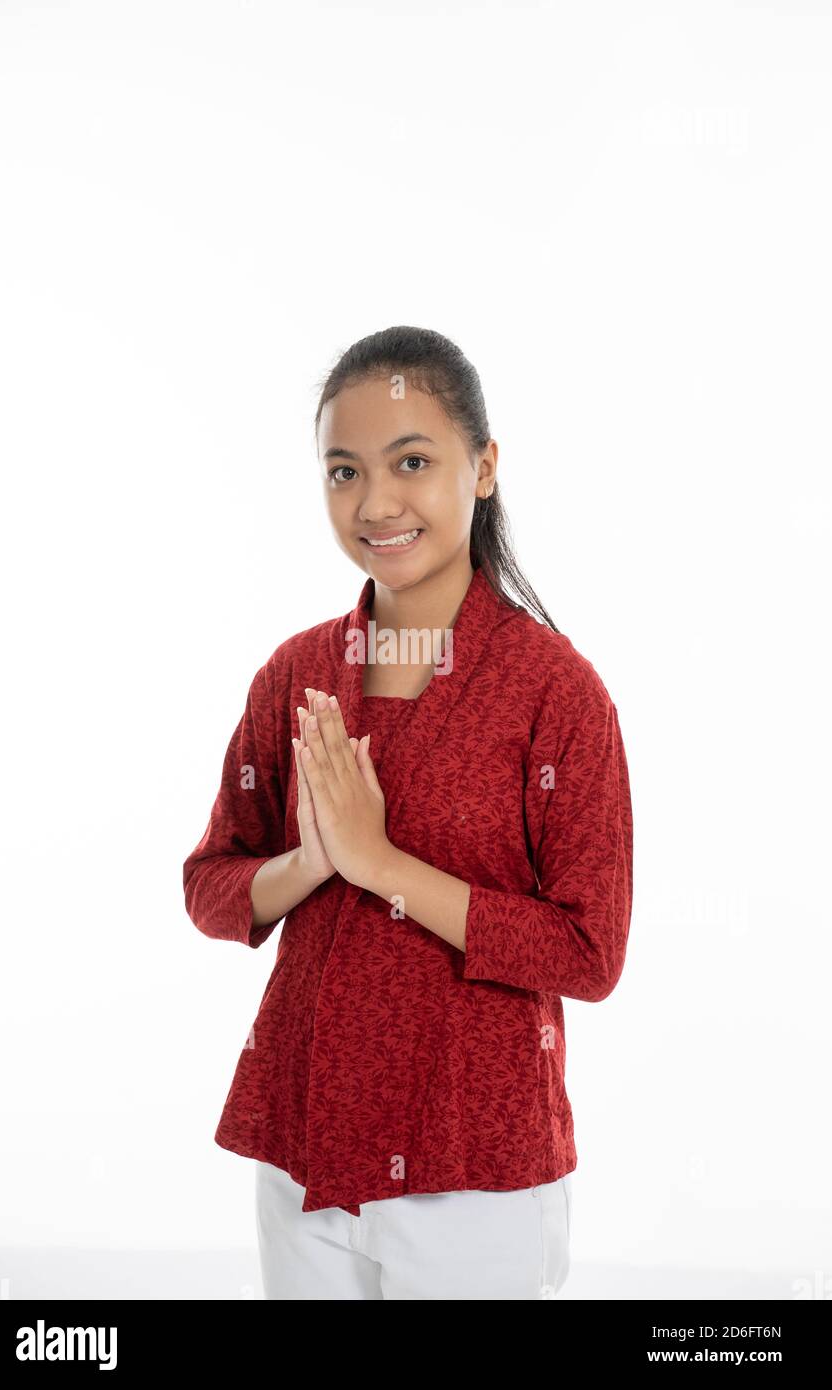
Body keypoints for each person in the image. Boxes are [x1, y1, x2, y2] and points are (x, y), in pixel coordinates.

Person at [183, 325, 634, 1300]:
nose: (374, 502)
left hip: (472, 1170)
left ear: (481, 468)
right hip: (304, 1155)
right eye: (342, 471)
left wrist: (382, 864)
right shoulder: (297, 674)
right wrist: (309, 862)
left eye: (412, 461)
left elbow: (588, 951)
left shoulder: (556, 693)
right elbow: (209, 886)